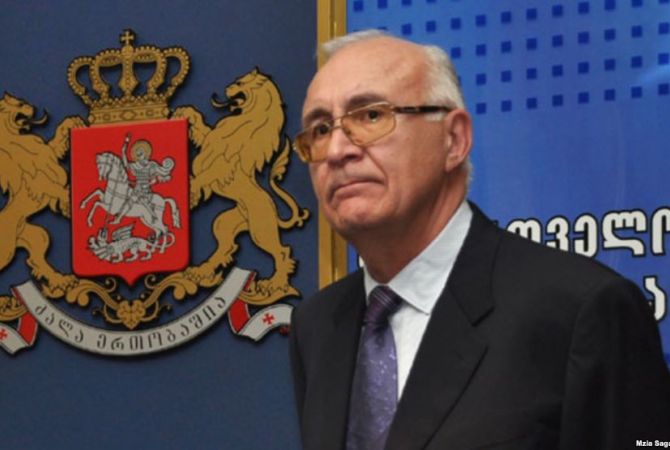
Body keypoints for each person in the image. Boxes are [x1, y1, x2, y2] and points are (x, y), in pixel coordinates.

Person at [289, 30, 670, 450]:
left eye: (371, 116)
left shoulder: (580, 311)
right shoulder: (317, 326)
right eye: (320, 129)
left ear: (454, 140)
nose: (337, 150)